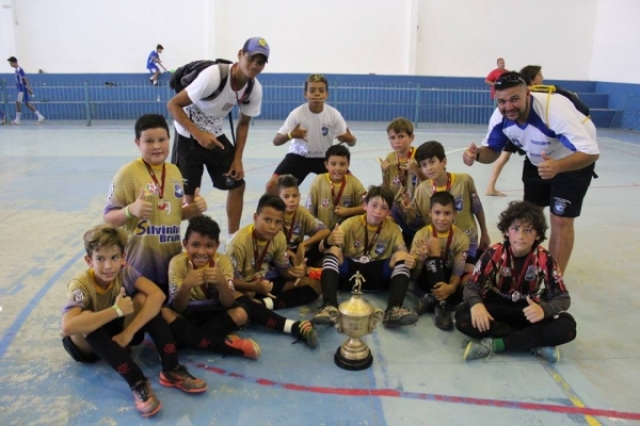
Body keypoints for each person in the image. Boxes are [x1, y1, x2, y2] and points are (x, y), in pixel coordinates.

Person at [61, 225, 207, 418]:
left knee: (144, 299)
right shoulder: (80, 285)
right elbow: (68, 326)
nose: (108, 266)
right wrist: (116, 310)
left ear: (123, 257)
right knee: (86, 318)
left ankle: (171, 368)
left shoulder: (125, 271)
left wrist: (128, 333)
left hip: (115, 334)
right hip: (86, 346)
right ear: (89, 260)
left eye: (114, 257)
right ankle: (137, 382)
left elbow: (157, 295)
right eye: (100, 259)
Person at [462, 71, 600, 273]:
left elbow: (591, 152)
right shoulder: (500, 117)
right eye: (502, 101)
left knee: (560, 220)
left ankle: (554, 279)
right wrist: (476, 156)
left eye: (514, 99)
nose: (508, 107)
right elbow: (491, 151)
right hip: (538, 160)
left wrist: (558, 166)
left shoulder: (553, 112)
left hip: (573, 161)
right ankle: (524, 269)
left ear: (528, 93)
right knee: (529, 216)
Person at [162, 215, 318, 351]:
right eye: (195, 245)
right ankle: (223, 346)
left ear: (217, 245)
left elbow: (228, 302)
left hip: (214, 312)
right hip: (189, 313)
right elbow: (178, 307)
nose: (202, 252)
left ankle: (186, 342)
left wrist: (221, 283)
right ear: (185, 244)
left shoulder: (222, 261)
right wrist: (186, 286)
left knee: (241, 312)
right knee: (165, 313)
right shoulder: (178, 263)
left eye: (208, 246)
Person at [166, 37, 269, 242]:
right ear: (240, 55)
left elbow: (243, 124)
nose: (255, 65)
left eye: (261, 62)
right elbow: (173, 105)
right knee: (190, 197)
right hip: (187, 136)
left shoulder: (253, 89)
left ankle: (232, 239)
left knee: (237, 185)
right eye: (251, 58)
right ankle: (197, 242)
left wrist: (237, 159)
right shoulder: (214, 76)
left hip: (214, 135)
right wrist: (198, 134)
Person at [456, 201, 576, 363]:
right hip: (495, 309)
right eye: (515, 229)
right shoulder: (494, 253)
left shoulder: (545, 259)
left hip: (528, 311)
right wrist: (476, 304)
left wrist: (544, 310)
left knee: (567, 326)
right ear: (507, 231)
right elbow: (472, 286)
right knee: (462, 316)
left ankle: (497, 344)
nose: (520, 236)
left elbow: (562, 297)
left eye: (528, 230)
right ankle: (532, 342)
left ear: (538, 235)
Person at [103, 114, 207, 296]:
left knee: (172, 307)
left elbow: (174, 214)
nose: (157, 146)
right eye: (149, 141)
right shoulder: (127, 174)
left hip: (171, 263)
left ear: (169, 139)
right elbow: (108, 219)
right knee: (146, 305)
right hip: (140, 265)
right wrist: (130, 210)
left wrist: (192, 210)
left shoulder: (175, 172)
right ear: (138, 142)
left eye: (162, 140)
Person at [312, 186, 419, 328]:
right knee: (333, 250)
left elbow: (402, 252)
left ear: (389, 211)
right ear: (365, 205)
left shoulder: (393, 229)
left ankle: (394, 309)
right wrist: (328, 241)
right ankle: (329, 306)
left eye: (384, 208)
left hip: (378, 275)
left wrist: (411, 260)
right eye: (374, 205)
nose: (378, 211)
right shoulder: (350, 223)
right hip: (351, 274)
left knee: (402, 256)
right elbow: (321, 249)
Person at [226, 194, 322, 316]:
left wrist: (296, 272)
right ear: (255, 218)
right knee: (245, 298)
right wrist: (253, 287)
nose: (272, 227)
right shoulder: (237, 244)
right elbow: (229, 282)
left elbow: (285, 271)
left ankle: (264, 304)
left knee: (314, 286)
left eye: (278, 222)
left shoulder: (279, 237)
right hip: (245, 286)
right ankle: (256, 304)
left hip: (266, 282)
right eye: (267, 220)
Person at [406, 141, 490, 275]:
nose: (429, 168)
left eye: (432, 162)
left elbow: (477, 208)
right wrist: (408, 209)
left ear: (444, 161)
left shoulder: (464, 181)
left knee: (467, 276)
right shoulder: (422, 189)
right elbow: (416, 221)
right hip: (437, 244)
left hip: (466, 241)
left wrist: (484, 233)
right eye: (424, 165)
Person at [265, 74, 356, 194]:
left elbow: (352, 142)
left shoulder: (334, 114)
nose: (317, 94)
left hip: (324, 158)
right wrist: (291, 135)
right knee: (272, 186)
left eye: (321, 90)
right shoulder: (297, 114)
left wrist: (350, 139)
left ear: (327, 94)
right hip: (298, 156)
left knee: (351, 185)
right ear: (305, 94)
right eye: (312, 90)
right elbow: (276, 141)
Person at [411, 192, 469, 330]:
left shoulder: (461, 238)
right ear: (430, 213)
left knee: (469, 280)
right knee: (434, 243)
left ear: (454, 214)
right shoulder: (421, 235)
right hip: (425, 278)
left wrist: (451, 287)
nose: (442, 218)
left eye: (447, 213)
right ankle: (442, 304)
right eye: (437, 213)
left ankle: (430, 299)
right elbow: (413, 276)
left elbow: (457, 272)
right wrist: (420, 260)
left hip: (447, 281)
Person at [485, 65, 544, 197]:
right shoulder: (525, 95)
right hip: (515, 130)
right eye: (539, 75)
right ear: (532, 78)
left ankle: (490, 186)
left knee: (505, 157)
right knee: (504, 156)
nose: (542, 78)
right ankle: (490, 186)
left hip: (526, 133)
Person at [379, 117, 425, 247]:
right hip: (398, 207)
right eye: (392, 138)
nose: (396, 142)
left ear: (412, 137)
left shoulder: (420, 157)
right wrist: (384, 172)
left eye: (401, 136)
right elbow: (386, 189)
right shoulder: (390, 157)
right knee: (379, 210)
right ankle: (390, 246)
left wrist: (417, 171)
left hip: (417, 209)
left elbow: (431, 185)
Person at [305, 145, 366, 229]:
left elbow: (367, 206)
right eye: (333, 164)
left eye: (342, 164)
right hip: (322, 232)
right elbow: (309, 211)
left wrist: (348, 211)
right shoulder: (318, 181)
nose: (337, 168)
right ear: (326, 164)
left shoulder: (354, 183)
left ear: (348, 165)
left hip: (345, 232)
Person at [276, 174, 330, 266]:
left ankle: (304, 265)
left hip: (296, 249)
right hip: (279, 252)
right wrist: (292, 255)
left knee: (327, 242)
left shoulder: (302, 213)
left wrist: (304, 244)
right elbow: (269, 243)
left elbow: (325, 231)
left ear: (299, 196)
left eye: (294, 196)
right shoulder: (274, 214)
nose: (291, 200)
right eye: (286, 197)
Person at [7, 56, 45, 125]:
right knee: (27, 103)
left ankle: (17, 120)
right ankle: (40, 116)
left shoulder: (19, 70)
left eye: (11, 63)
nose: (10, 65)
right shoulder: (17, 70)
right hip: (23, 88)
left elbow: (25, 79)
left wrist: (29, 88)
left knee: (18, 103)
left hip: (21, 89)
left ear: (15, 62)